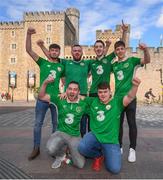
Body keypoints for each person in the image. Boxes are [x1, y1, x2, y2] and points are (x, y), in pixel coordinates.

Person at [78, 77, 141, 174]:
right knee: (82, 147)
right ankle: (98, 155)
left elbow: (129, 97)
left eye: (105, 92)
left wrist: (135, 86)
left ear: (110, 92)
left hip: (110, 140)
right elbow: (79, 97)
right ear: (97, 93)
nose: (102, 94)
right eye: (100, 92)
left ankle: (107, 152)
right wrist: (66, 93)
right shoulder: (92, 101)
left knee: (114, 169)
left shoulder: (116, 102)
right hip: (95, 135)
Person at [26, 27, 64, 160]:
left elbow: (64, 81)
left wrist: (64, 92)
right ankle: (36, 148)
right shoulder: (42, 63)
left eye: (56, 50)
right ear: (50, 51)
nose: (54, 52)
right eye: (52, 50)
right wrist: (29, 34)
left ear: (59, 52)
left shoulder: (61, 66)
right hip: (42, 98)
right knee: (37, 124)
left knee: (56, 124)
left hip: (56, 99)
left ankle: (53, 147)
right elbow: (29, 51)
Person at [111, 32, 150, 162]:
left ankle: (132, 149)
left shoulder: (132, 61)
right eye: (117, 49)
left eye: (122, 48)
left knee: (132, 123)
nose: (120, 51)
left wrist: (146, 50)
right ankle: (120, 146)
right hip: (118, 99)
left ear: (124, 50)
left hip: (130, 97)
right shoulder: (114, 65)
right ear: (115, 52)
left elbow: (147, 60)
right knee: (118, 124)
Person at [38, 77, 87, 169]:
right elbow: (41, 96)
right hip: (61, 133)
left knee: (80, 164)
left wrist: (84, 97)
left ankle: (69, 150)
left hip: (75, 135)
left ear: (79, 92)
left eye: (75, 90)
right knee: (50, 149)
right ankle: (60, 156)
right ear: (66, 90)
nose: (72, 92)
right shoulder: (60, 99)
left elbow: (98, 103)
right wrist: (45, 83)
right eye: (70, 89)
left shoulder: (83, 103)